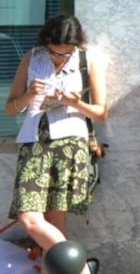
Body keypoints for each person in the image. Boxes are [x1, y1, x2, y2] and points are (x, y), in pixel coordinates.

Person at [5, 14, 107, 274]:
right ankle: (82, 270)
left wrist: (72, 102)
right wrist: (29, 94)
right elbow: (10, 108)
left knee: (55, 219)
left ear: (77, 45)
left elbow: (101, 111)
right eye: (53, 52)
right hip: (33, 144)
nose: (57, 59)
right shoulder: (32, 58)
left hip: (70, 143)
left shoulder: (87, 60)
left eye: (65, 54)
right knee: (29, 220)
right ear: (45, 43)